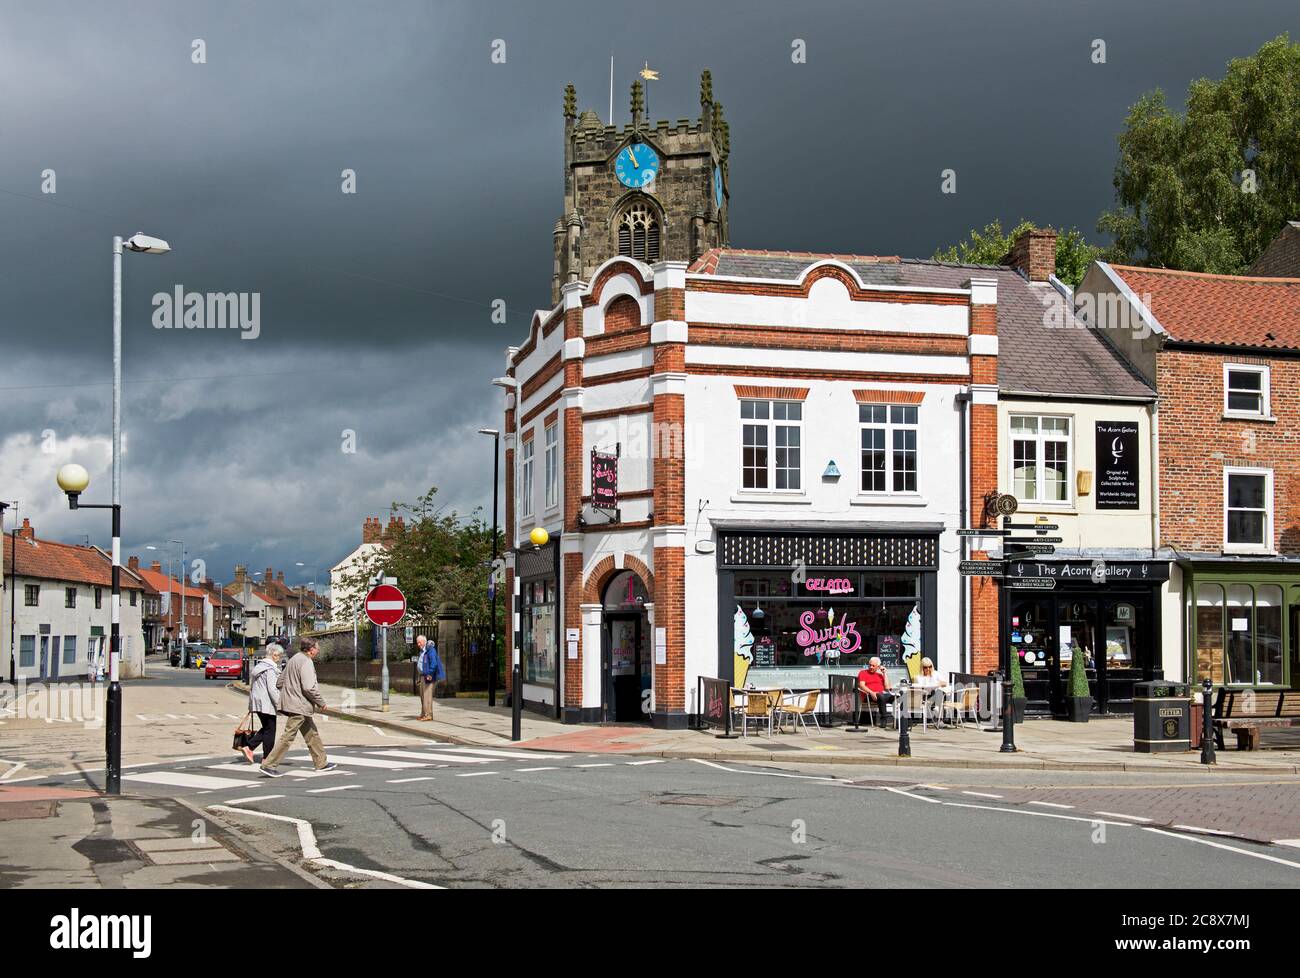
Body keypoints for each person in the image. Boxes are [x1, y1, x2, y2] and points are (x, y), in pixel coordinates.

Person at [260, 637, 336, 777]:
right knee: (288, 736)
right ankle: (269, 765)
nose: (318, 650)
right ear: (311, 649)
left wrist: (291, 689)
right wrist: (321, 702)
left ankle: (321, 763)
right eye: (317, 648)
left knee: (312, 734)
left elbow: (279, 682)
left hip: (296, 704)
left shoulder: (294, 659)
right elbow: (308, 687)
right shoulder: (306, 662)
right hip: (299, 705)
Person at [241, 644, 282, 764]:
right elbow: (272, 689)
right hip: (267, 703)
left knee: (266, 728)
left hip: (257, 703)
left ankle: (250, 748)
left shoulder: (259, 666)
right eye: (278, 655)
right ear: (274, 655)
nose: (279, 658)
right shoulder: (270, 669)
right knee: (270, 730)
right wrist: (279, 704)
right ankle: (266, 757)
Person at [856, 656, 895, 726]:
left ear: (878, 667)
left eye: (873, 666)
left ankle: (904, 720)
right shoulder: (863, 673)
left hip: (881, 695)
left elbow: (887, 688)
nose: (871, 667)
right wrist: (871, 692)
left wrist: (884, 673)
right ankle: (884, 719)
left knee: (898, 697)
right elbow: (861, 685)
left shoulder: (880, 675)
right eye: (870, 665)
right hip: (868, 696)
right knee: (881, 695)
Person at [415, 634, 445, 721]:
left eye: (419, 642)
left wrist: (430, 674)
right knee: (422, 696)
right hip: (422, 676)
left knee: (427, 696)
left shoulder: (430, 650)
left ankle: (428, 715)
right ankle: (423, 713)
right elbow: (421, 664)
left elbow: (434, 663)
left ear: (424, 641)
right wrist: (419, 677)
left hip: (429, 676)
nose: (418, 644)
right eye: (417, 643)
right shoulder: (422, 651)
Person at [913, 657, 948, 725]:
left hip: (935, 694)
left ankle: (938, 713)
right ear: (922, 667)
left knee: (939, 692)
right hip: (924, 696)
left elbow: (944, 683)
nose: (928, 669)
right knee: (936, 693)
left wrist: (939, 683)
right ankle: (938, 716)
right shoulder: (919, 677)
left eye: (930, 667)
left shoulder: (936, 673)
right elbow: (918, 688)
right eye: (926, 667)